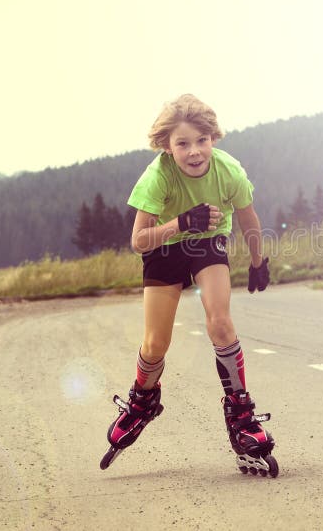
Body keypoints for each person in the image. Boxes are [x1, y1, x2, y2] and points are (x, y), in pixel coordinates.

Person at [101, 93, 277, 476]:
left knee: (221, 323)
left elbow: (248, 219)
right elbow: (139, 240)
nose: (194, 152)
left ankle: (242, 415)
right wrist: (180, 224)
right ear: (167, 146)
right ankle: (142, 401)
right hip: (163, 246)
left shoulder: (229, 171)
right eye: (183, 144)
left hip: (208, 242)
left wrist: (258, 262)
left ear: (213, 137)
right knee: (155, 343)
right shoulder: (158, 176)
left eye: (202, 141)